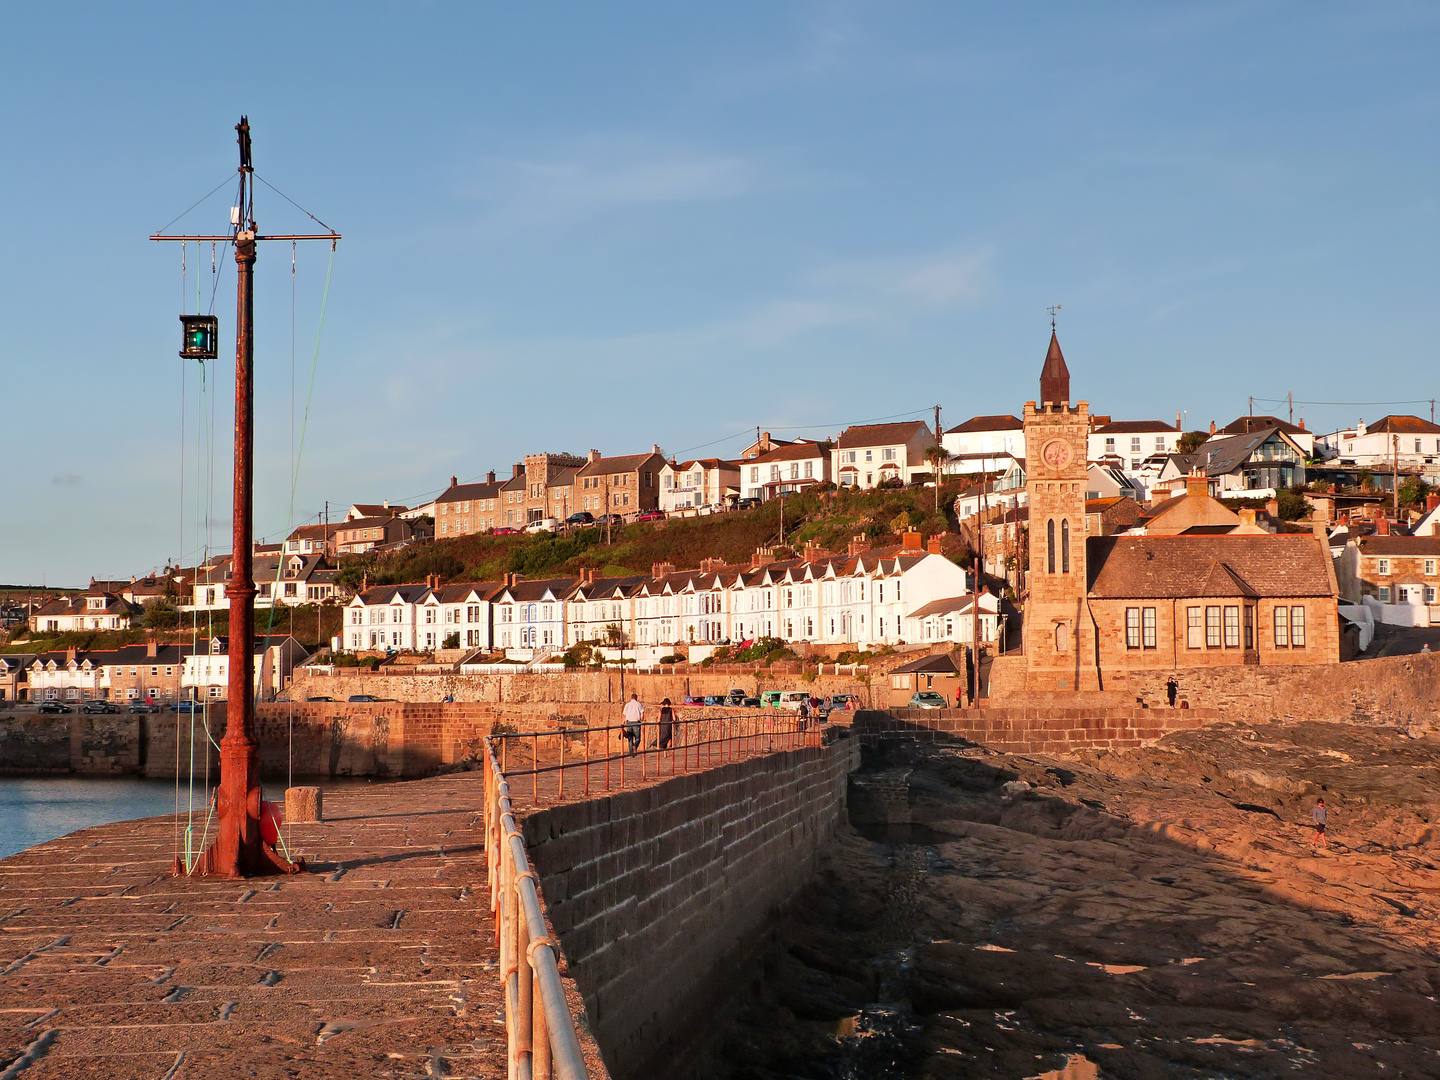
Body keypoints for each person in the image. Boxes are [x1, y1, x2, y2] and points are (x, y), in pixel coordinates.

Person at [622, 692, 643, 756]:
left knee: (630, 738)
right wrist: (641, 720)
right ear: (636, 698)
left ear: (631, 698)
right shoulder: (639, 704)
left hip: (629, 722)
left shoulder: (627, 705)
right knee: (638, 738)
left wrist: (622, 723)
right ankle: (635, 746)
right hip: (636, 722)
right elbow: (642, 713)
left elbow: (624, 715)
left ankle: (631, 753)